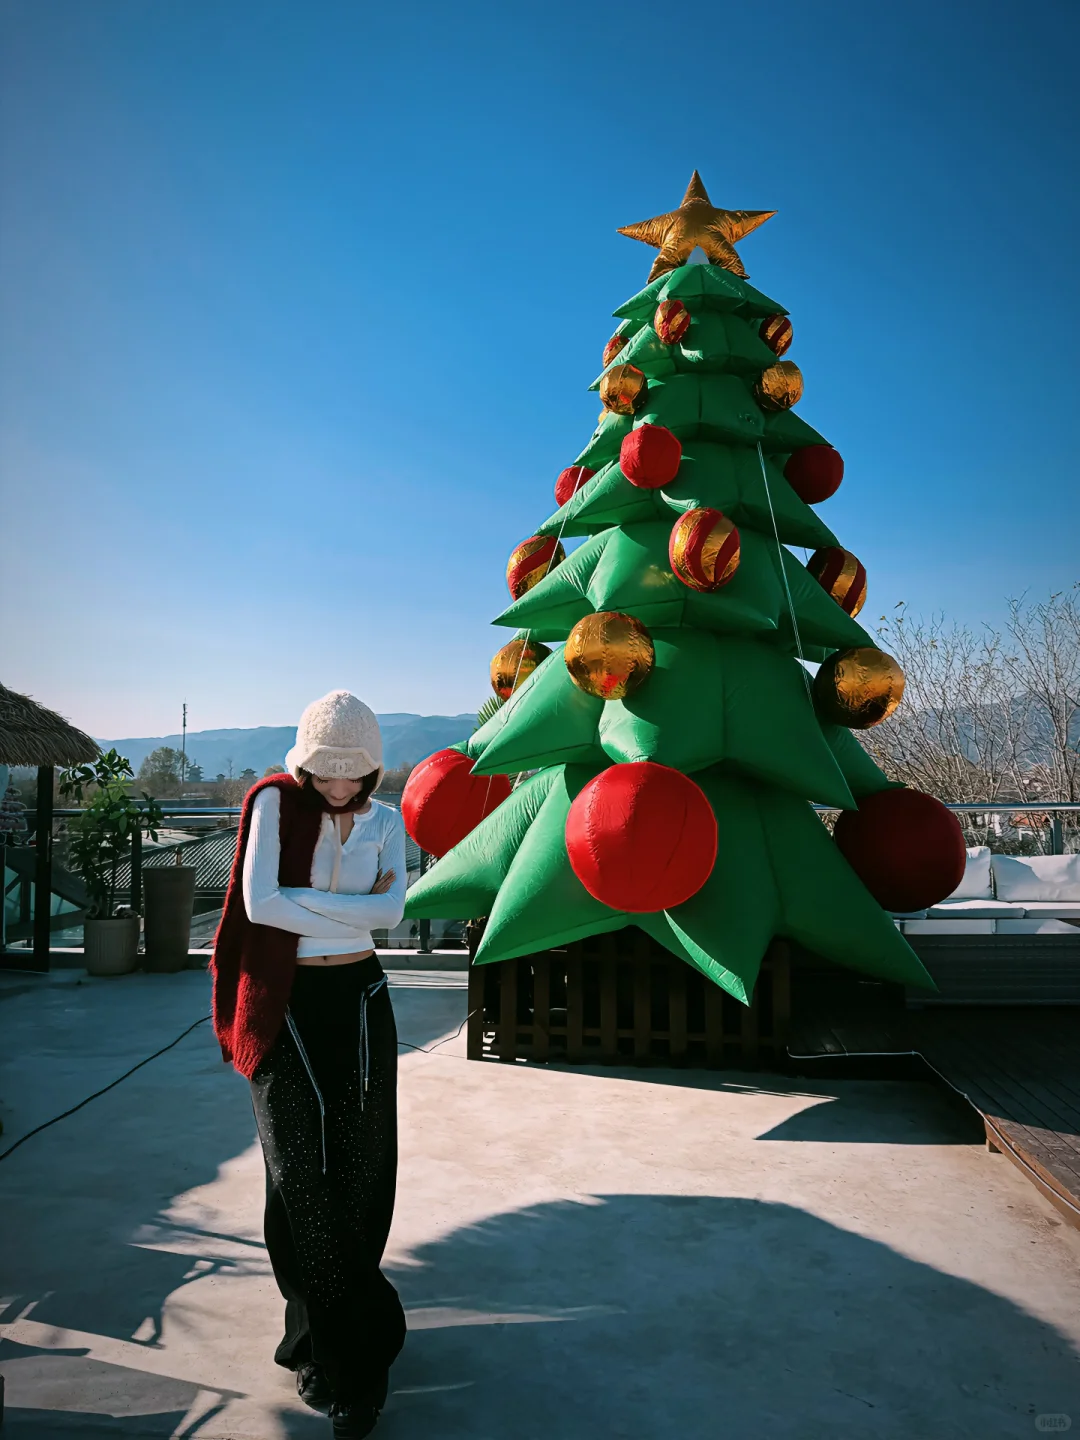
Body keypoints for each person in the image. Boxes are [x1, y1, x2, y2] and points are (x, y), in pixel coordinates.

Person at [211, 690, 408, 1439]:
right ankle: (356, 1350)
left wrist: (309, 902)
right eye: (323, 771)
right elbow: (261, 907)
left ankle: (322, 1348)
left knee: (360, 1168)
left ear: (371, 770)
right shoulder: (273, 807)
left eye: (350, 773)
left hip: (359, 998)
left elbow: (393, 916)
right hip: (282, 1000)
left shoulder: (387, 822)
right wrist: (340, 905)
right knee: (295, 1173)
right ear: (303, 763)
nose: (335, 786)